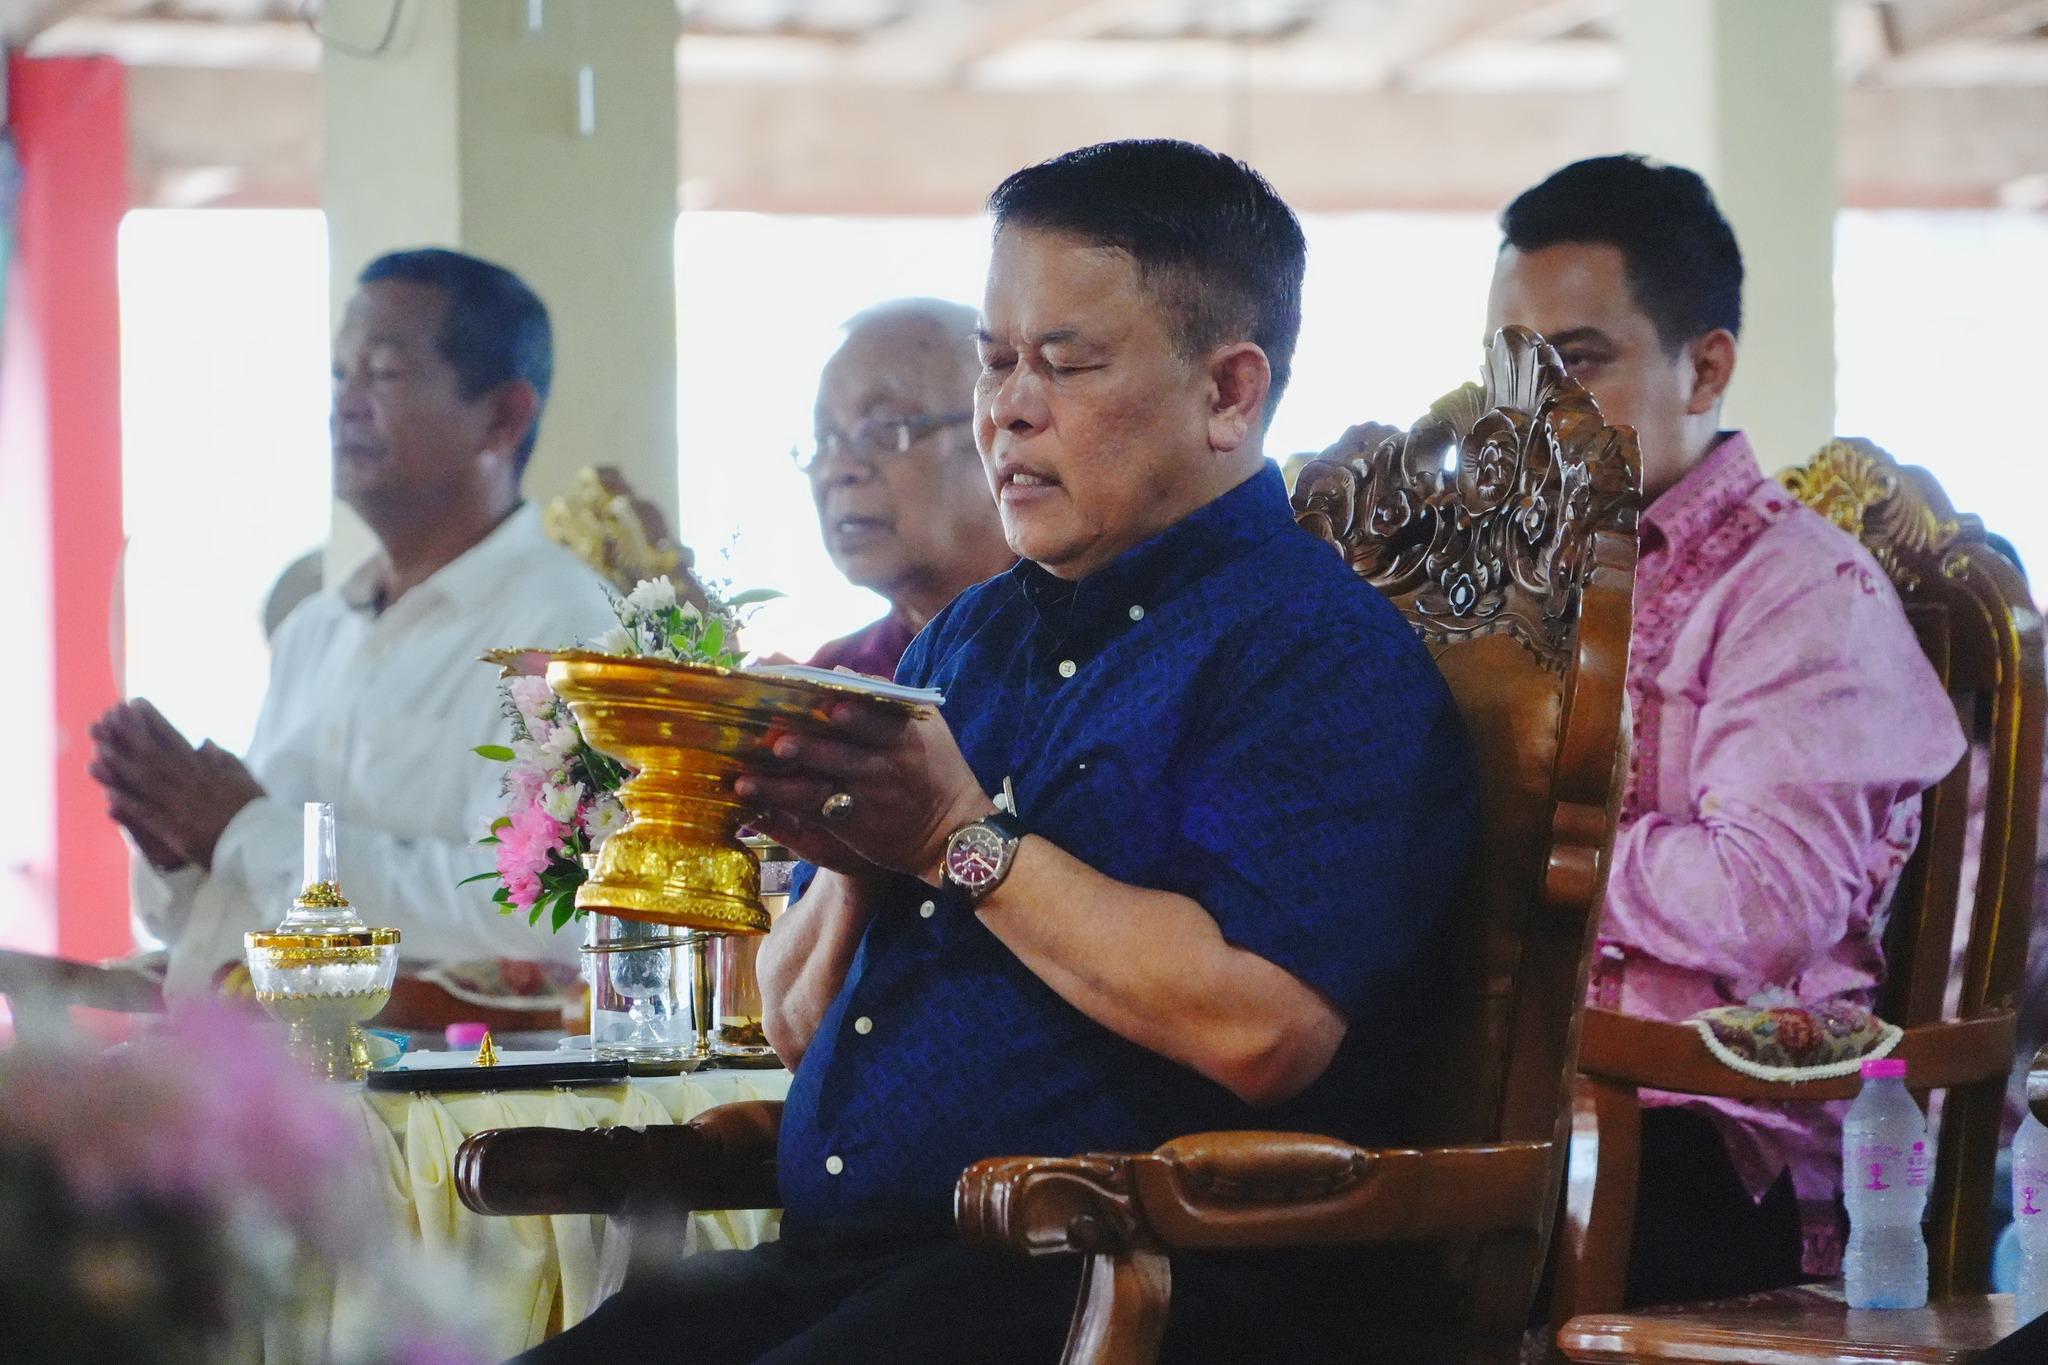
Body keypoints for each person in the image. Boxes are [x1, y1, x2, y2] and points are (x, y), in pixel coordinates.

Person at [520, 140, 1477, 1364]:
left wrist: (953, 839)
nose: (1008, 409)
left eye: (1065, 363)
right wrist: (857, 854)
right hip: (858, 1263)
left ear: (1228, 395)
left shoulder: (1308, 649)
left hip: (1122, 1278)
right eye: (995, 361)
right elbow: (799, 1025)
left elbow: (1261, 1031)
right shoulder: (969, 637)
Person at [1484, 155, 1966, 1303]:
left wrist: (1520, 847)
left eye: (1577, 363)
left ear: (1702, 369)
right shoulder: (1515, 578)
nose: (1531, 413)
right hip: (1519, 1096)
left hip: (1706, 1134)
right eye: (1510, 369)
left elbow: (1760, 899)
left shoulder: (1799, 592)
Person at [91, 248, 615, 996]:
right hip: (273, 1050)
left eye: (384, 372)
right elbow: (249, 907)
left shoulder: (564, 627)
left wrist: (243, 829)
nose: (346, 403)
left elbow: (537, 917)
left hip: (453, 1068)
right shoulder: (315, 631)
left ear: (503, 416)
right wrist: (183, 848)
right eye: (340, 374)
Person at [801, 297, 1015, 678]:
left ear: (997, 436)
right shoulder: (838, 677)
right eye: (824, 438)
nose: (837, 469)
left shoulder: (1084, 648)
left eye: (887, 427)